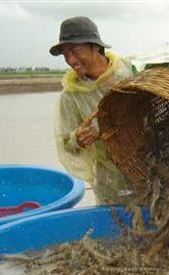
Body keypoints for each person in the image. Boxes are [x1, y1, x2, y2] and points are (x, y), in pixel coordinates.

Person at [50, 16, 134, 204]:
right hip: (111, 184)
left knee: (160, 225)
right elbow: (65, 144)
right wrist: (77, 139)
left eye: (75, 50)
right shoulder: (71, 96)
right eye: (65, 54)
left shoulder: (129, 73)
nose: (70, 60)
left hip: (149, 175)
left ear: (95, 46)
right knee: (116, 230)